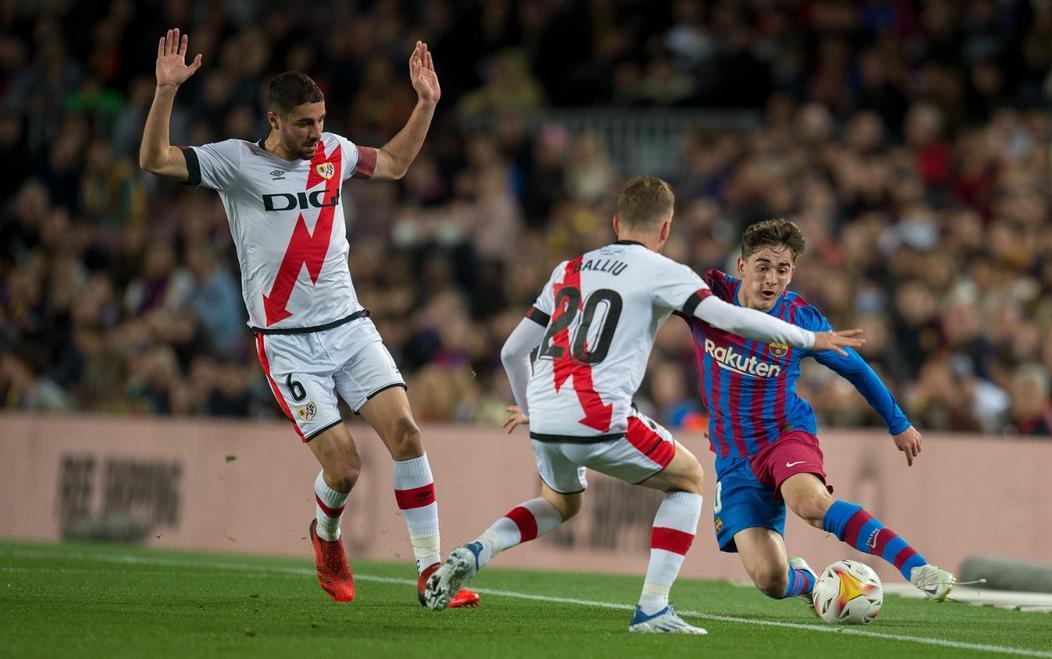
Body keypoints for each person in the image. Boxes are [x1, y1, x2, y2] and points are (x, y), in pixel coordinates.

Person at [424, 177, 865, 633]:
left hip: (545, 411)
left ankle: (478, 550)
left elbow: (512, 352)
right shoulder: (661, 270)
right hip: (598, 413)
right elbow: (732, 318)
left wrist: (531, 406)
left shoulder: (568, 269)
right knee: (690, 478)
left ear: (617, 223)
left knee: (559, 502)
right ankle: (653, 607)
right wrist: (812, 338)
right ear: (667, 228)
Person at [138, 28, 477, 608]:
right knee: (344, 469)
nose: (317, 133)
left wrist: (426, 104)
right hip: (287, 343)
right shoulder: (236, 163)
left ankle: (430, 574)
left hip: (349, 326)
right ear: (274, 119)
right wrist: (165, 93)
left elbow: (393, 163)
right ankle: (326, 537)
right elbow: (155, 160)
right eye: (304, 124)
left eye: (321, 120)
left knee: (406, 433)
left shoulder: (336, 154)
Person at [680, 218, 956, 606]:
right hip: (734, 457)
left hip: (784, 434)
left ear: (792, 272)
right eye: (762, 266)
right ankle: (809, 581)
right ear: (741, 267)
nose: (771, 279)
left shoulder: (800, 319)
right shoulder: (706, 299)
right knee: (771, 581)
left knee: (810, 504)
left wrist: (899, 423)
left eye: (782, 269)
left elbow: (856, 369)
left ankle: (917, 569)